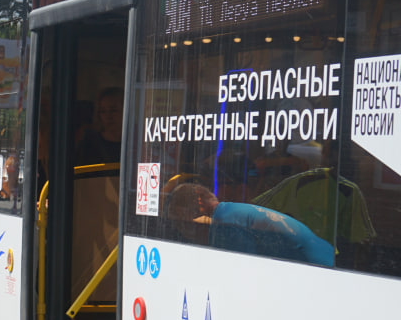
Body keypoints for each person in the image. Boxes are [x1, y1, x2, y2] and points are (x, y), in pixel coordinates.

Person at [165, 183, 334, 266]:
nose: (185, 231)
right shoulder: (229, 212)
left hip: (322, 269)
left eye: (183, 222)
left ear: (199, 203)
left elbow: (244, 273)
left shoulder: (226, 225)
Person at [75, 87, 124, 166]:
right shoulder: (89, 143)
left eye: (113, 110)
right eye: (103, 111)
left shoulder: (135, 142)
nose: (108, 116)